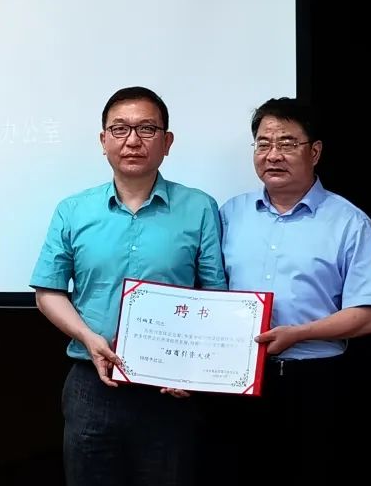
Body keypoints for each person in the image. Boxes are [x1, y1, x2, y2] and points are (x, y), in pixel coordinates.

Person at [30, 86, 226, 486]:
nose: (132, 140)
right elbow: (48, 292)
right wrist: (88, 338)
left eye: (147, 129)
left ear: (167, 142)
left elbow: (215, 295)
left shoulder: (200, 207)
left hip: (170, 388)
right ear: (103, 140)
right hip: (92, 381)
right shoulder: (73, 210)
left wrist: (195, 369)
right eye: (120, 129)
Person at [211, 96, 371, 476]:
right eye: (263, 144)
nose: (273, 155)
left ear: (315, 152)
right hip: (237, 381)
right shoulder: (230, 214)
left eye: (287, 143)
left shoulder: (349, 222)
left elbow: (370, 316)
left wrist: (298, 334)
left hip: (316, 384)